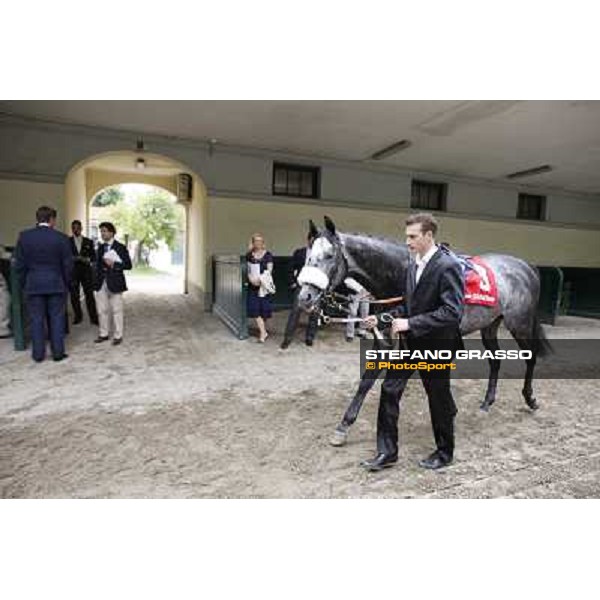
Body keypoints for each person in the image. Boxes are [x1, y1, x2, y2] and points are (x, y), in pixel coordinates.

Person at [362, 212, 464, 472]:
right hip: (410, 344)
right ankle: (387, 452)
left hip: (437, 345)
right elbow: (409, 307)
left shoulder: (448, 265)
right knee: (389, 389)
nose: (407, 241)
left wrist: (411, 324)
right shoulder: (412, 265)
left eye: (412, 236)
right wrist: (382, 319)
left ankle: (444, 453)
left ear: (429, 235)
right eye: (406, 236)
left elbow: (452, 313)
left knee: (437, 398)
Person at [14, 206, 73, 362]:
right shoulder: (61, 238)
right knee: (56, 318)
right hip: (56, 284)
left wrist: (24, 284)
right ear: (51, 220)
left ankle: (38, 355)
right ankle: (58, 353)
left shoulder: (24, 237)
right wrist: (66, 283)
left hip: (33, 285)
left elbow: (19, 265)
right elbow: (68, 265)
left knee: (36, 319)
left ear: (37, 218)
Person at [94, 221, 132, 346]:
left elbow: (128, 265)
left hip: (115, 282)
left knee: (117, 310)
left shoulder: (120, 247)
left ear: (112, 232)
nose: (102, 234)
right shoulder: (100, 247)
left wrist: (114, 264)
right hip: (101, 283)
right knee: (101, 310)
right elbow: (97, 266)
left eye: (104, 231)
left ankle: (118, 335)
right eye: (101, 231)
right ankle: (103, 334)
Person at [281, 232, 320, 348]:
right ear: (308, 240)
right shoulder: (300, 253)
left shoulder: (322, 255)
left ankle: (310, 338)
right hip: (302, 286)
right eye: (312, 240)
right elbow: (290, 268)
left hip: (316, 287)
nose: (314, 242)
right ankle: (287, 338)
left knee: (314, 314)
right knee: (295, 312)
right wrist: (292, 282)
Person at [69, 219, 99, 326]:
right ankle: (78, 316)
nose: (75, 230)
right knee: (74, 295)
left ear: (81, 228)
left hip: (86, 272)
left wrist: (87, 260)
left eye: (78, 227)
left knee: (89, 295)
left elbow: (94, 257)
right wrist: (73, 258)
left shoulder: (88, 242)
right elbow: (65, 257)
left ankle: (93, 317)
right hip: (73, 272)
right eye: (73, 228)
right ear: (71, 229)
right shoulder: (67, 242)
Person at [246, 233, 274, 343]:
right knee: (254, 309)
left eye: (260, 241)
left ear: (263, 243)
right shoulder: (249, 255)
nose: (258, 243)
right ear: (253, 243)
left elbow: (269, 270)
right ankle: (263, 333)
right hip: (253, 286)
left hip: (264, 286)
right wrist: (251, 279)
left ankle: (263, 329)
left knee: (264, 310)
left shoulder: (268, 255)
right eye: (256, 241)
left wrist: (260, 280)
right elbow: (247, 270)